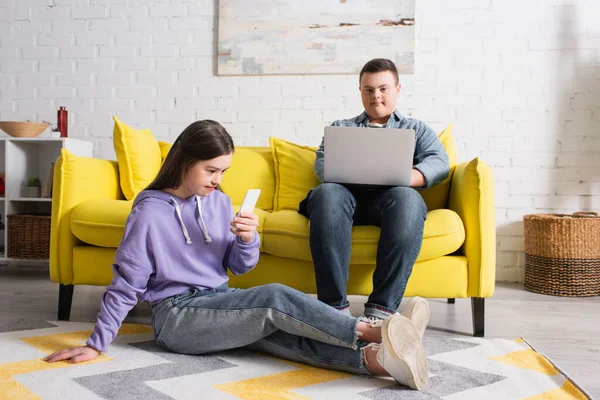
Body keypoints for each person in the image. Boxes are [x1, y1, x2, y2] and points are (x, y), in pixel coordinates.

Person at [45, 120, 430, 390]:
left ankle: (380, 363)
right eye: (211, 170)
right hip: (176, 318)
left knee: (281, 328)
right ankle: (374, 331)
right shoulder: (149, 212)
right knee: (275, 297)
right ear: (183, 160)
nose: (217, 181)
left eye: (223, 171)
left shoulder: (219, 201)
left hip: (220, 301)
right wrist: (98, 342)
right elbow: (127, 282)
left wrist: (247, 240)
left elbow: (239, 267)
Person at [301, 58, 449, 322]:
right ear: (360, 91)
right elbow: (323, 166)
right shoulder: (340, 127)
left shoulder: (415, 129)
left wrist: (403, 177)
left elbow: (439, 162)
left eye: (383, 88)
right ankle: (333, 310)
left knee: (408, 198)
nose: (376, 96)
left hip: (392, 205)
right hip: (343, 203)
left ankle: (381, 311)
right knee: (327, 193)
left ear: (397, 89)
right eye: (368, 89)